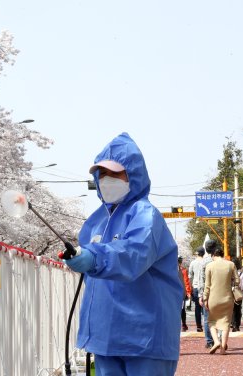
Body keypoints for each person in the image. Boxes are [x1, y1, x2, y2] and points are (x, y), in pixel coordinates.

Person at [64, 133, 183, 376]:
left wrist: (94, 257)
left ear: (134, 175)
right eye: (103, 174)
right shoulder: (95, 221)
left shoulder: (145, 215)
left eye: (116, 173)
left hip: (144, 337)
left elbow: (132, 254)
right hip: (104, 335)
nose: (107, 179)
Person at [203, 245, 238, 355]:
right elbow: (237, 281)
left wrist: (204, 298)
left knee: (211, 322)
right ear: (222, 255)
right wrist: (231, 284)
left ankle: (216, 342)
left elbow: (207, 285)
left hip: (213, 298)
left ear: (213, 255)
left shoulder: (209, 266)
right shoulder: (231, 264)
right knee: (226, 323)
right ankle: (223, 348)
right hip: (227, 298)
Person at [198, 239, 216, 348]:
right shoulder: (219, 261)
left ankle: (209, 342)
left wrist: (201, 295)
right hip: (219, 292)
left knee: (206, 318)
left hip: (207, 293)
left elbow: (202, 279)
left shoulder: (204, 262)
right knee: (219, 317)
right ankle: (219, 339)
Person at [230, 258, 243, 332]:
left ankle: (232, 323)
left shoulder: (229, 272)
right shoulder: (241, 274)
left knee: (231, 309)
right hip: (238, 293)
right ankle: (237, 325)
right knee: (238, 309)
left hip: (229, 293)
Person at [188, 247, 205, 332]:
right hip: (205, 287)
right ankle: (206, 324)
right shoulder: (206, 262)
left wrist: (190, 287)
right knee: (205, 307)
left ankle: (199, 326)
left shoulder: (193, 263)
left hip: (195, 287)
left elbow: (190, 276)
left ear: (197, 253)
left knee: (197, 308)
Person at [179, 256, 192, 331]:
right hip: (182, 293)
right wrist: (188, 292)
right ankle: (183, 324)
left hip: (173, 293)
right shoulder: (183, 271)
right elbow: (186, 282)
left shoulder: (171, 270)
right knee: (182, 309)